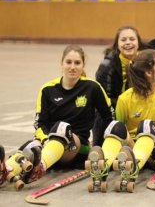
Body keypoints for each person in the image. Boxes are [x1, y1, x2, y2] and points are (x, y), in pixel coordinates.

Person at [5, 45, 114, 189]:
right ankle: (5, 171)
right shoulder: (47, 90)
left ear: (83, 65)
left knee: (61, 128)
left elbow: (108, 119)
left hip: (77, 148)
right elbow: (40, 124)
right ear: (61, 63)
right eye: (68, 62)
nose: (72, 67)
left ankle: (40, 166)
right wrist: (44, 141)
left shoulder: (92, 88)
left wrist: (102, 149)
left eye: (77, 63)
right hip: (49, 144)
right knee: (30, 148)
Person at [86, 49, 155, 192]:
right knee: (115, 126)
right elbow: (120, 132)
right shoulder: (125, 98)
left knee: (147, 125)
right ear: (149, 73)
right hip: (132, 149)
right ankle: (101, 168)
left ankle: (132, 167)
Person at [92, 26, 147, 146]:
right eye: (123, 40)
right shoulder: (107, 66)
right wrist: (126, 106)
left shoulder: (147, 62)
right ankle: (100, 146)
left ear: (139, 43)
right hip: (115, 106)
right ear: (117, 44)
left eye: (132, 39)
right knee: (102, 112)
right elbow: (103, 98)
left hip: (141, 105)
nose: (128, 42)